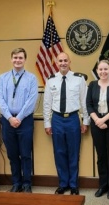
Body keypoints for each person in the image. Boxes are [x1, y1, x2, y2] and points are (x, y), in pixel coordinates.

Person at [43, 52, 89, 195]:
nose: (62, 63)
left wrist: (86, 121)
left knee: (74, 152)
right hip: (56, 119)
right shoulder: (51, 80)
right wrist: (47, 123)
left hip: (73, 119)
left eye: (65, 60)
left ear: (70, 62)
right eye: (60, 61)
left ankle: (74, 185)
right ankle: (63, 183)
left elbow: (84, 102)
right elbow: (46, 103)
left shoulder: (79, 79)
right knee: (59, 152)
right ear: (56, 63)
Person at [0, 48, 38, 193]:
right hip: (7, 120)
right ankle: (16, 183)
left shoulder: (32, 78)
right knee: (12, 154)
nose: (17, 60)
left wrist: (18, 118)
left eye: (20, 58)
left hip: (25, 120)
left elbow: (31, 101)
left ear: (25, 59)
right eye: (15, 57)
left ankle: (27, 183)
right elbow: (0, 99)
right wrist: (9, 117)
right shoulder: (3, 78)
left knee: (26, 153)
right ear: (11, 59)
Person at [86, 60, 109, 199]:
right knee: (101, 156)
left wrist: (103, 120)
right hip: (96, 124)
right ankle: (103, 185)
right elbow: (89, 105)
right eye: (100, 69)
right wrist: (97, 120)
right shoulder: (92, 85)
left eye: (105, 69)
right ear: (97, 70)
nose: (103, 72)